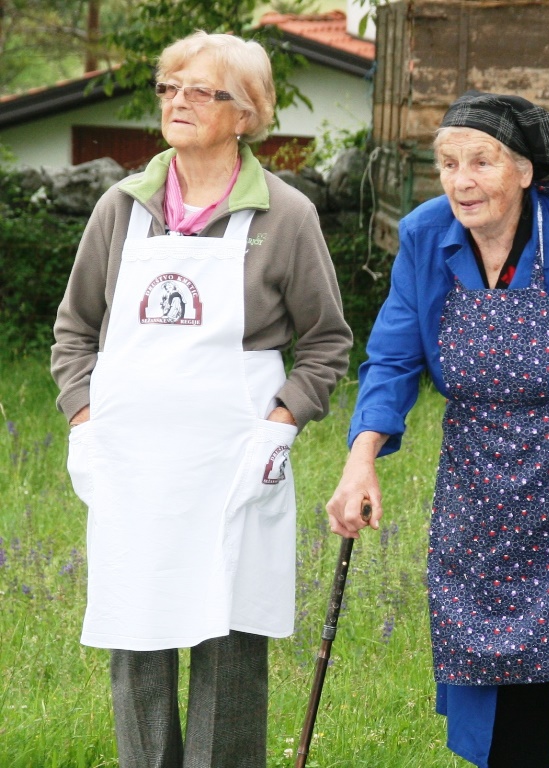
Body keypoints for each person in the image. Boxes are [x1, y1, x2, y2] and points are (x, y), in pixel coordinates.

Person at [326, 91, 549, 768]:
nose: (461, 181)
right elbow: (395, 354)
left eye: (481, 162)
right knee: (509, 727)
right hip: (484, 490)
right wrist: (361, 457)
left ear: (524, 171)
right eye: (448, 163)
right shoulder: (427, 236)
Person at [51, 31, 352, 766]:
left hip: (234, 462)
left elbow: (326, 343)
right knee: (138, 632)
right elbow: (74, 330)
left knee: (228, 636)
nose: (177, 101)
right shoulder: (122, 209)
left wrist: (279, 427)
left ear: (245, 113)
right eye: (169, 87)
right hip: (133, 462)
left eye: (200, 90)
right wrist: (85, 421)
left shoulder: (286, 216)